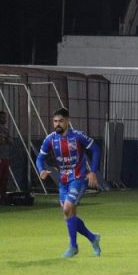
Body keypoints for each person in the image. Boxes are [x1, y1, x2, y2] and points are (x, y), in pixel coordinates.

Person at [36, 107, 101, 258]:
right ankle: (93, 238)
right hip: (63, 180)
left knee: (67, 209)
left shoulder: (78, 137)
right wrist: (41, 170)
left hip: (79, 178)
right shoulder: (50, 139)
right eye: (55, 121)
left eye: (60, 121)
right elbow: (40, 158)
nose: (57, 124)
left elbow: (96, 150)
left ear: (68, 122)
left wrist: (93, 171)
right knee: (69, 215)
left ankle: (73, 246)